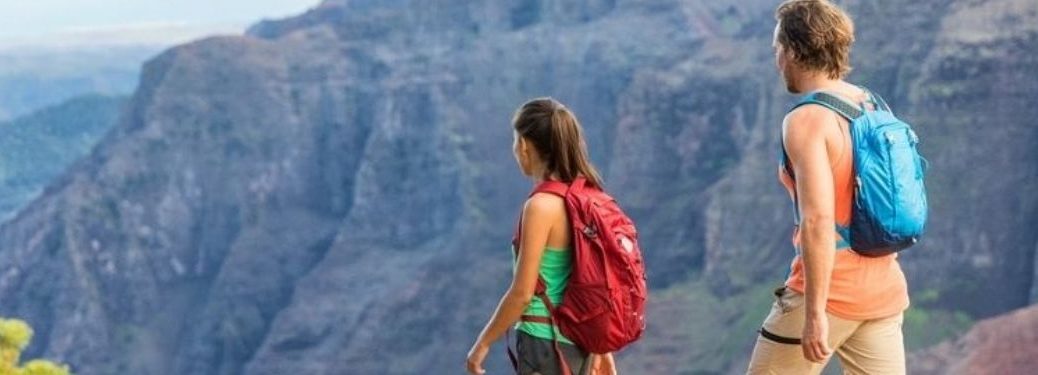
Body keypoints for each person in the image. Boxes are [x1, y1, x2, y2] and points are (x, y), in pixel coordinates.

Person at [747, 1, 910, 374]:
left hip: (828, 292)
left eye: (778, 50)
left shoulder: (806, 120)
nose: (777, 61)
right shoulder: (872, 104)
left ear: (793, 51)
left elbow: (818, 220)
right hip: (883, 292)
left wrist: (814, 313)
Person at [466, 98, 616, 375]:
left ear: (524, 145)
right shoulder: (586, 199)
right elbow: (590, 280)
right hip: (582, 344)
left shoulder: (541, 206)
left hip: (543, 343)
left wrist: (481, 344)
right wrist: (602, 348)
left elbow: (523, 293)